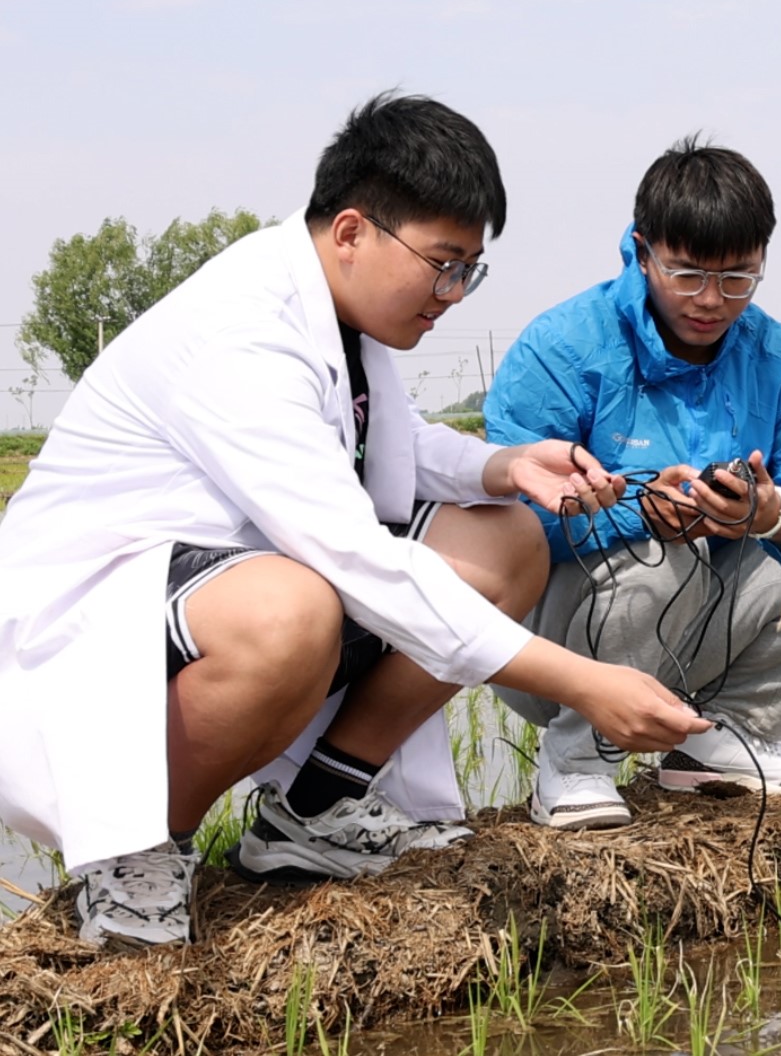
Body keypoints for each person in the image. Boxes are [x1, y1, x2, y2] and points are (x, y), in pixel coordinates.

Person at [0, 94, 708, 949]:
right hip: (99, 600)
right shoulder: (242, 333)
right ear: (351, 231)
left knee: (505, 539)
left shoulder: (342, 315)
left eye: (470, 270)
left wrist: (508, 465)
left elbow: (389, 440)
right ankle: (141, 852)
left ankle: (313, 811)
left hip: (222, 577)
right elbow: (355, 555)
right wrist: (586, 682)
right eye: (442, 264)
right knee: (289, 613)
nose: (452, 293)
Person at [485, 136, 781, 829]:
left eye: (738, 278)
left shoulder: (779, 359)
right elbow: (508, 517)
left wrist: (771, 514)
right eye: (688, 274)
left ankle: (731, 737)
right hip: (555, 642)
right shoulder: (564, 347)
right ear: (643, 253)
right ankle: (575, 764)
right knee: (668, 553)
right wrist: (639, 513)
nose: (711, 301)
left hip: (691, 627)